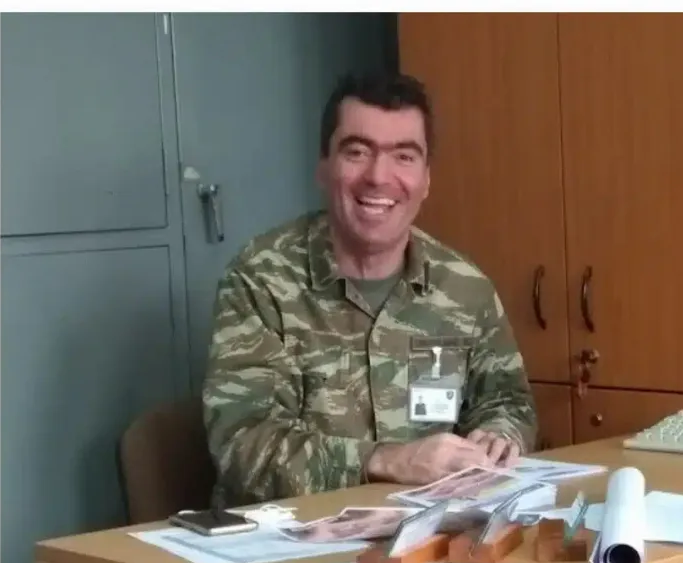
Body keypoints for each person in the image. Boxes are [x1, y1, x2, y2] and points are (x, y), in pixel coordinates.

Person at [201, 71, 537, 506]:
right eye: (357, 152)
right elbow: (245, 444)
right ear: (324, 167)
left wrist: (498, 436)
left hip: (427, 530)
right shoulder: (260, 280)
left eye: (404, 156)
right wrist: (387, 461)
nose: (379, 177)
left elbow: (508, 401)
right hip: (292, 535)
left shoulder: (464, 287)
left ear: (426, 179)